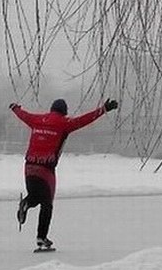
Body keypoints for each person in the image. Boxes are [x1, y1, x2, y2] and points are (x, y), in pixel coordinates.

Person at [11, 97, 118, 250]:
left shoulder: (37, 119)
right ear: (64, 111)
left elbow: (24, 115)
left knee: (35, 196)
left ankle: (25, 204)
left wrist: (15, 108)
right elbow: (85, 120)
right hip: (46, 169)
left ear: (52, 109)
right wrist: (104, 109)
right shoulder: (65, 123)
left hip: (29, 166)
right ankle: (41, 238)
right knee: (47, 204)